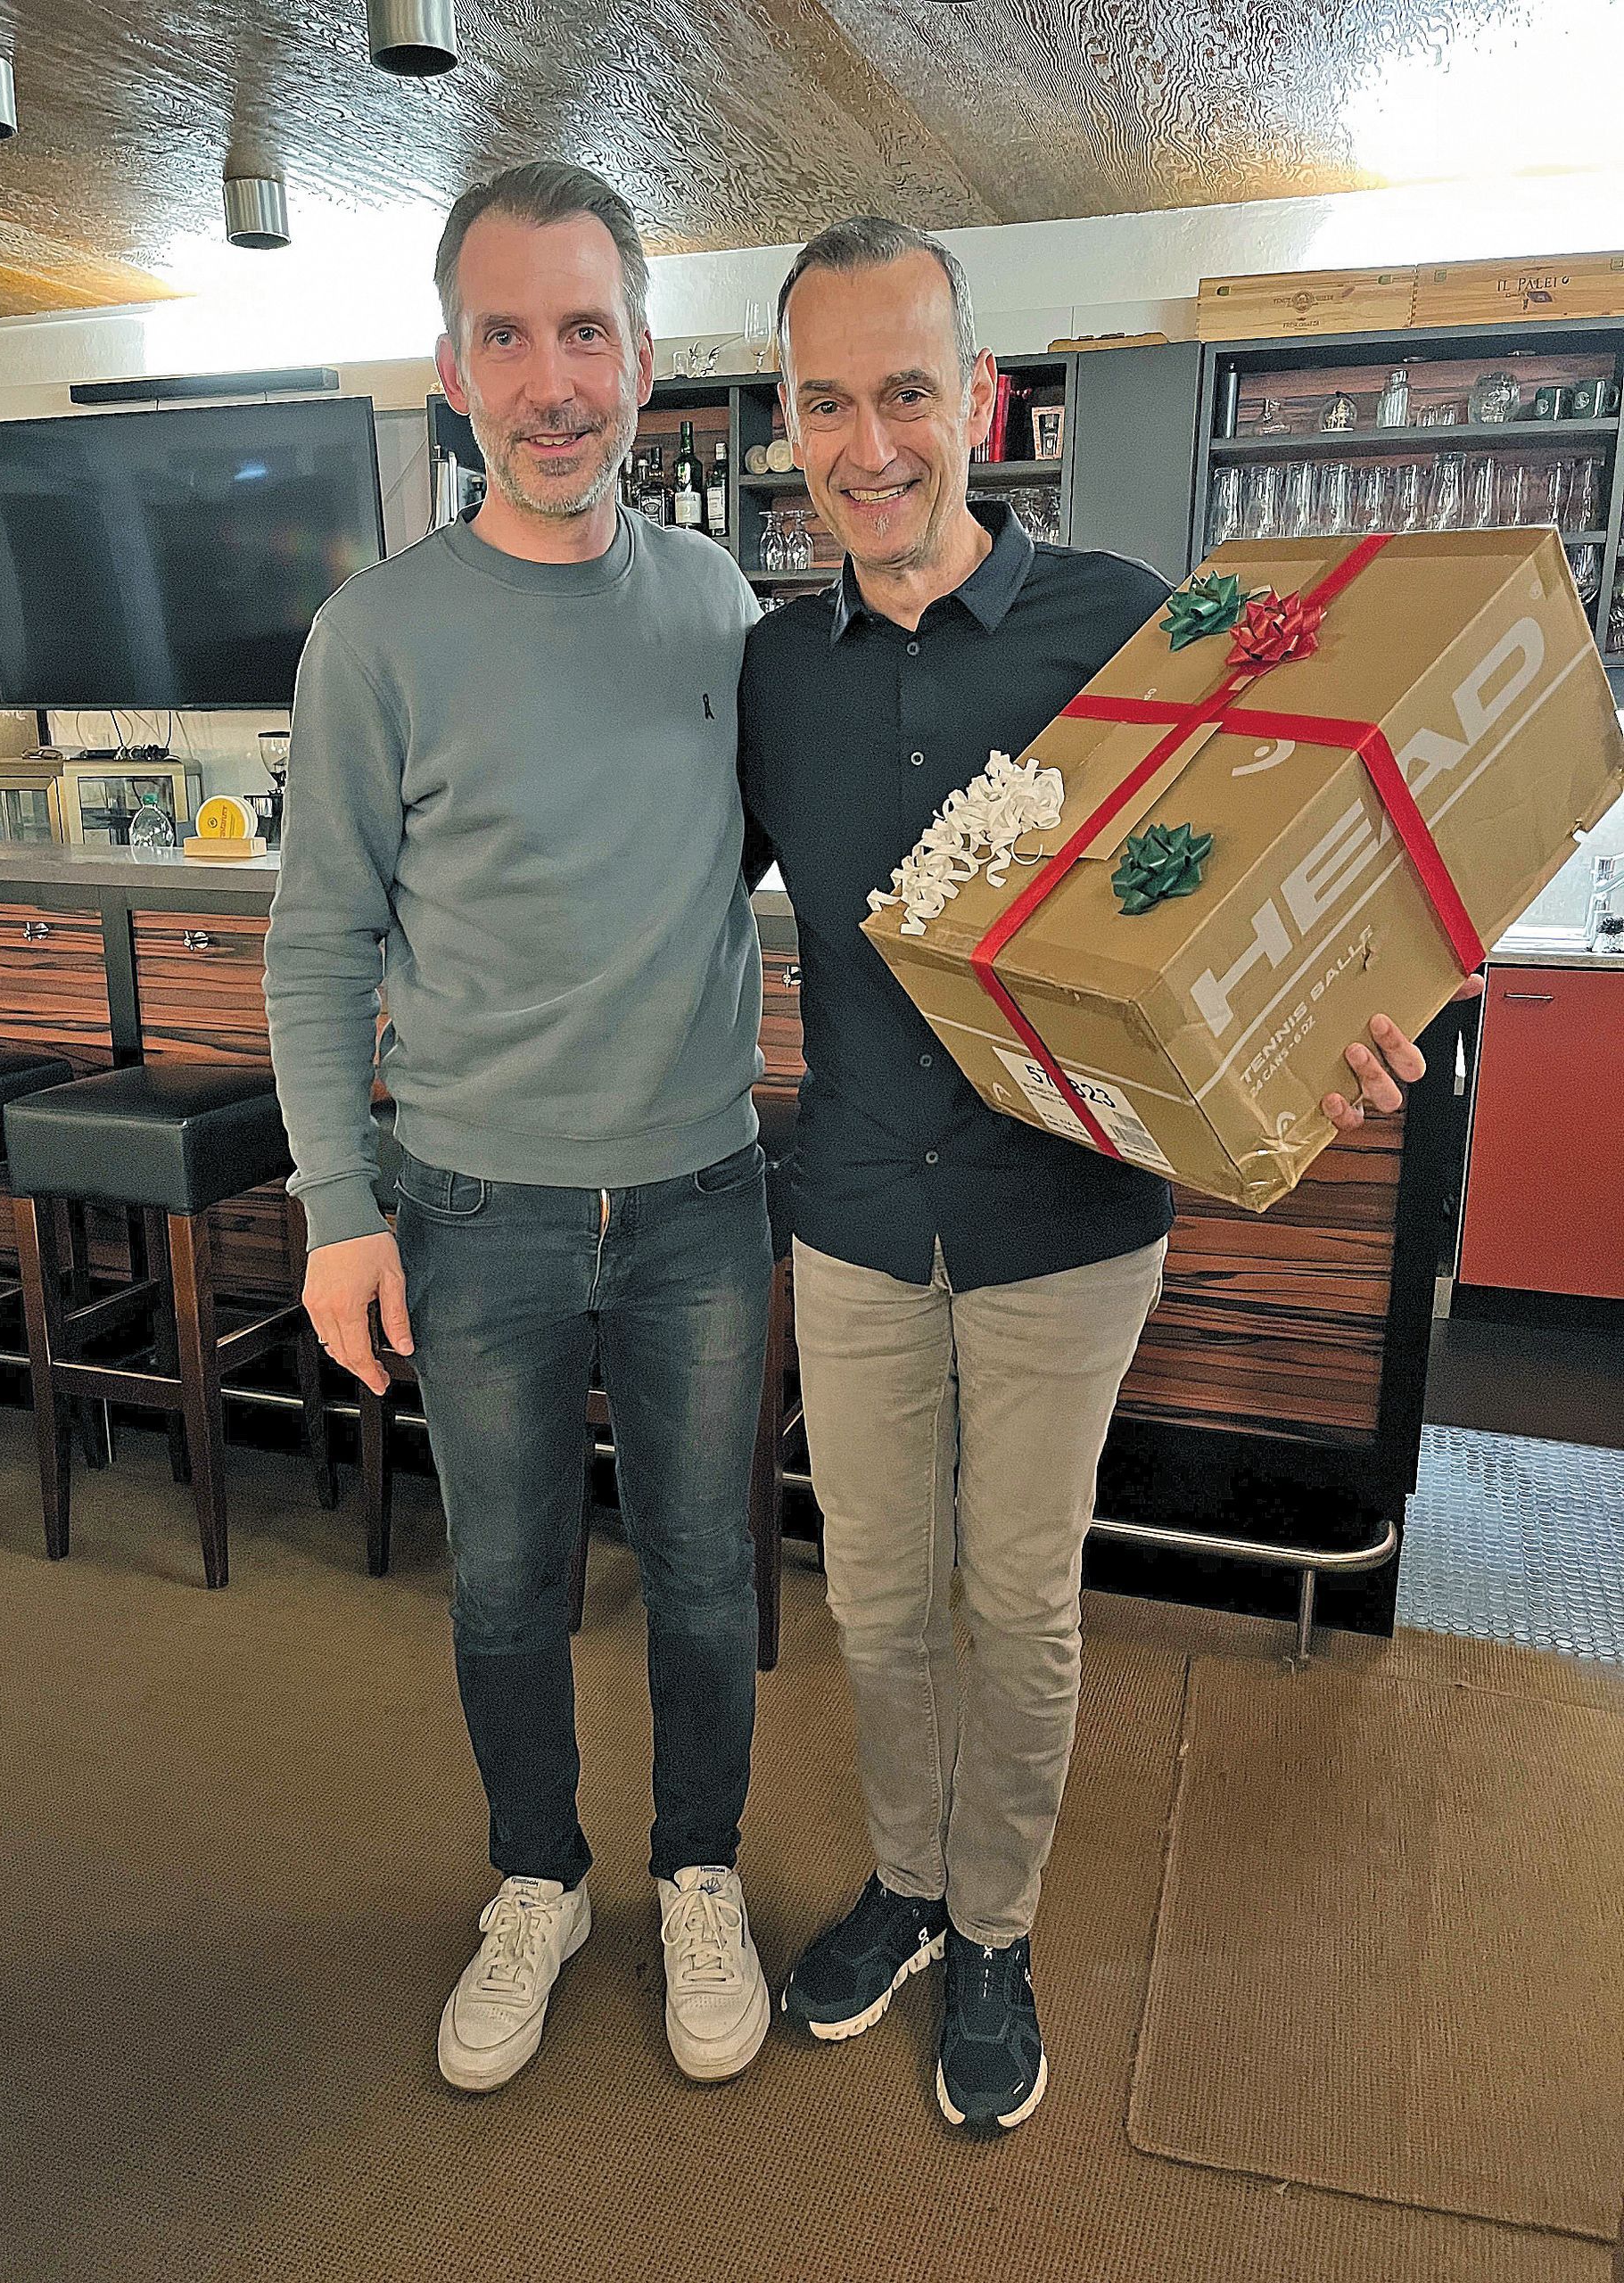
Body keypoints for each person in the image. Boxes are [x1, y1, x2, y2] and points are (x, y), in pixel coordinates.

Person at [740, 217, 1462, 2133]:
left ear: (979, 400)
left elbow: (1283, 865)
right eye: (828, 403)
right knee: (877, 1596)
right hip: (856, 1208)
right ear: (790, 423)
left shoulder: (1138, 627)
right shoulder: (769, 674)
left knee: (1020, 1600)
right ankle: (907, 1886)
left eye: (908, 393)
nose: (870, 445)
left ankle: (993, 1926)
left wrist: (1350, 1025)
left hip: (1064, 1220)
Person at [264, 163, 774, 2097]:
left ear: (643, 357)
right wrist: (339, 1204)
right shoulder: (375, 637)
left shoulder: (717, 603)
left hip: (703, 1194)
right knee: (503, 1586)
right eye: (507, 336)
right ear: (452, 367)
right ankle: (538, 1878)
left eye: (585, 332)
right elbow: (319, 943)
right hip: (474, 1208)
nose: (550, 380)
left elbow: (754, 860)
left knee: (710, 1576)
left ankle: (699, 1866)